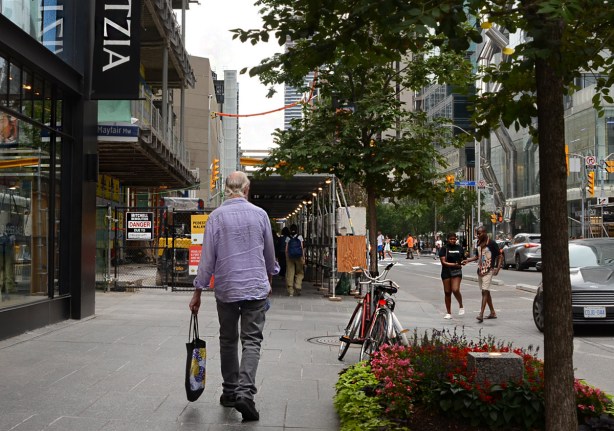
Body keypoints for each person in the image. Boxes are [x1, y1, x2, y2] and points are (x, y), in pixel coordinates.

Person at [189, 171, 277, 422]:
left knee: (228, 339)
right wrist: (269, 280)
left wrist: (198, 292)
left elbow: (207, 259)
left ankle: (229, 392)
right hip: (254, 287)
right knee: (252, 341)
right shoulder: (260, 215)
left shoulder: (215, 217)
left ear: (226, 189)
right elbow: (269, 255)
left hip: (226, 288)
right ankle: (245, 394)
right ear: (247, 189)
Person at [462, 226, 502, 322]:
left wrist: (498, 268)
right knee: (486, 292)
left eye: (479, 233)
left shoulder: (492, 243)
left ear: (485, 233)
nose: (478, 235)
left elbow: (500, 256)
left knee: (484, 291)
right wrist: (467, 261)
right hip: (480, 270)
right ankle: (492, 312)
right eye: (477, 233)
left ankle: (481, 314)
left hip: (489, 270)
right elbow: (477, 256)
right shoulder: (478, 243)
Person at [438, 232, 465, 319]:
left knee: (455, 289)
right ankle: (448, 312)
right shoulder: (444, 249)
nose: (453, 240)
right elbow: (443, 262)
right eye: (451, 239)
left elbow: (463, 259)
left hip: (457, 271)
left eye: (454, 239)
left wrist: (466, 261)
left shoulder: (459, 248)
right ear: (448, 239)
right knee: (447, 292)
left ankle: (461, 305)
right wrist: (455, 264)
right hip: (446, 272)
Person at [285, 224, 304, 296]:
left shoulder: (288, 237)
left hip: (290, 256)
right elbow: (302, 247)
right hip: (299, 256)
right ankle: (298, 285)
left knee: (290, 272)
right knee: (300, 272)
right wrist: (303, 257)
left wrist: (286, 256)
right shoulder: (300, 236)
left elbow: (286, 249)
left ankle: (290, 291)